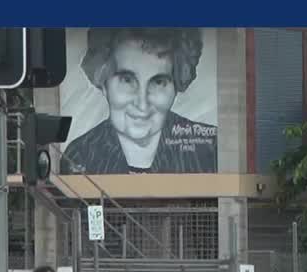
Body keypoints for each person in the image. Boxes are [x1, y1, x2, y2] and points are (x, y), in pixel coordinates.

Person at [59, 28, 218, 175]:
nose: (142, 104)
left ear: (177, 85)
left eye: (158, 82)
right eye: (127, 80)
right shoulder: (79, 155)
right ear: (103, 82)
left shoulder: (211, 148)